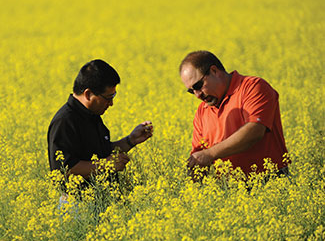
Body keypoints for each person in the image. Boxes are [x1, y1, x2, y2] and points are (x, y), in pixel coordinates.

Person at [179, 50, 289, 176]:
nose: (197, 95)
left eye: (198, 85)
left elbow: (255, 130)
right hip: (230, 191)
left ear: (214, 71)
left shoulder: (253, 87)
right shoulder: (202, 111)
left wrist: (210, 154)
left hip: (270, 181)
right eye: (191, 91)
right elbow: (199, 157)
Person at [48, 59, 153, 187]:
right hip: (77, 204)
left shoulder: (92, 115)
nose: (111, 104)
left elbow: (102, 152)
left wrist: (131, 140)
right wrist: (105, 165)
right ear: (88, 94)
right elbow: (64, 169)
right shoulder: (65, 121)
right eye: (108, 98)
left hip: (101, 200)